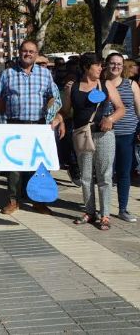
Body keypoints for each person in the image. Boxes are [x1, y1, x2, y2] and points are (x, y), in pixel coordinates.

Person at [0, 40, 64, 215]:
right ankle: (13, 201)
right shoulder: (8, 74)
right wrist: (9, 114)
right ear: (19, 52)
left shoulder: (45, 74)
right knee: (14, 166)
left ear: (36, 53)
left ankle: (38, 202)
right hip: (15, 125)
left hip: (38, 126)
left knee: (39, 165)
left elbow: (52, 96)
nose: (28, 54)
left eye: (31, 51)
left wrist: (51, 113)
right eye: (25, 51)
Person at [62, 53, 125, 230]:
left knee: (105, 175)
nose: (100, 68)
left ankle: (105, 215)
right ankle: (89, 211)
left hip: (104, 135)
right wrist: (58, 119)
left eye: (101, 65)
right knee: (86, 176)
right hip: (82, 135)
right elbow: (66, 110)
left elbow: (121, 109)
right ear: (86, 67)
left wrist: (110, 119)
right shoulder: (72, 87)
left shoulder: (106, 85)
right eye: (97, 65)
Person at [104, 52, 139, 223]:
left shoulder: (131, 84)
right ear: (106, 64)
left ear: (123, 66)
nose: (116, 66)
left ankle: (123, 209)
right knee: (106, 174)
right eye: (112, 63)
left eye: (119, 63)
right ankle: (104, 210)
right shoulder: (100, 84)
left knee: (124, 173)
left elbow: (139, 109)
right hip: (104, 135)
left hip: (127, 134)